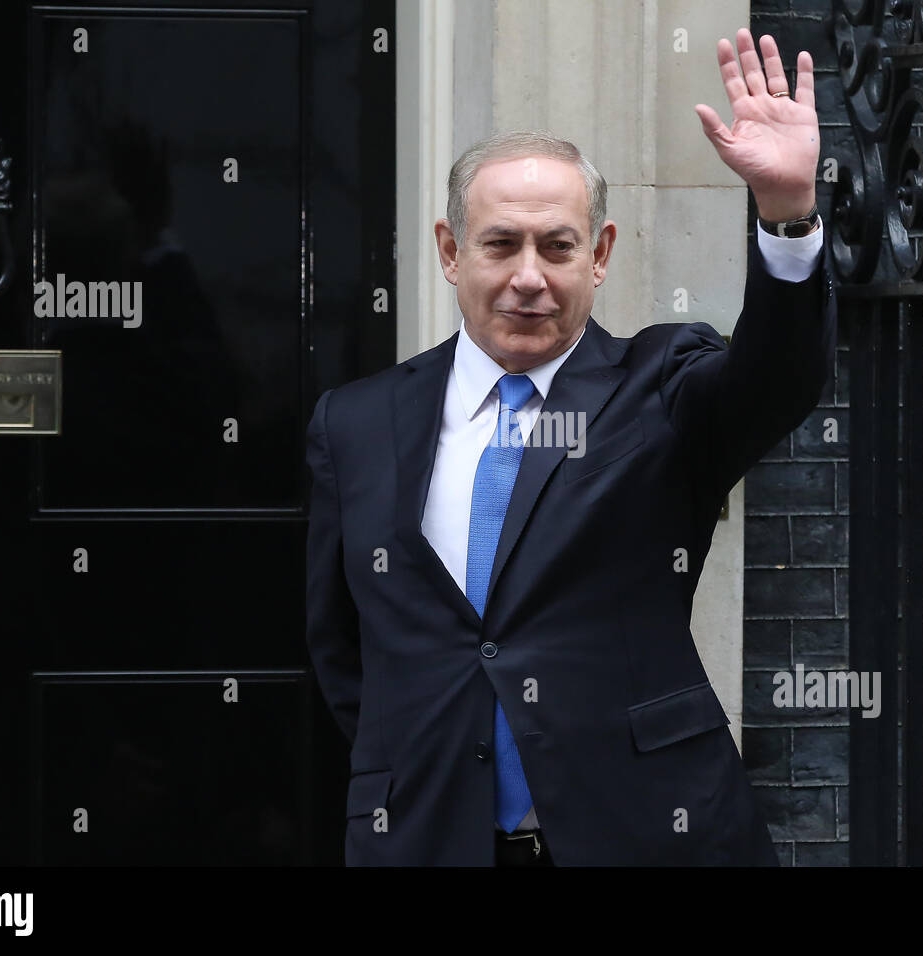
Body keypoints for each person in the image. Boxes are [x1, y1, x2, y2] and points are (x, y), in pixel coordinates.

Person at [305, 29, 835, 866]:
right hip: (430, 837)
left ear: (600, 254)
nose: (529, 276)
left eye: (557, 246)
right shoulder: (355, 422)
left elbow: (778, 381)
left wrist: (786, 215)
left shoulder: (662, 386)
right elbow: (343, 652)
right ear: (450, 252)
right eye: (500, 244)